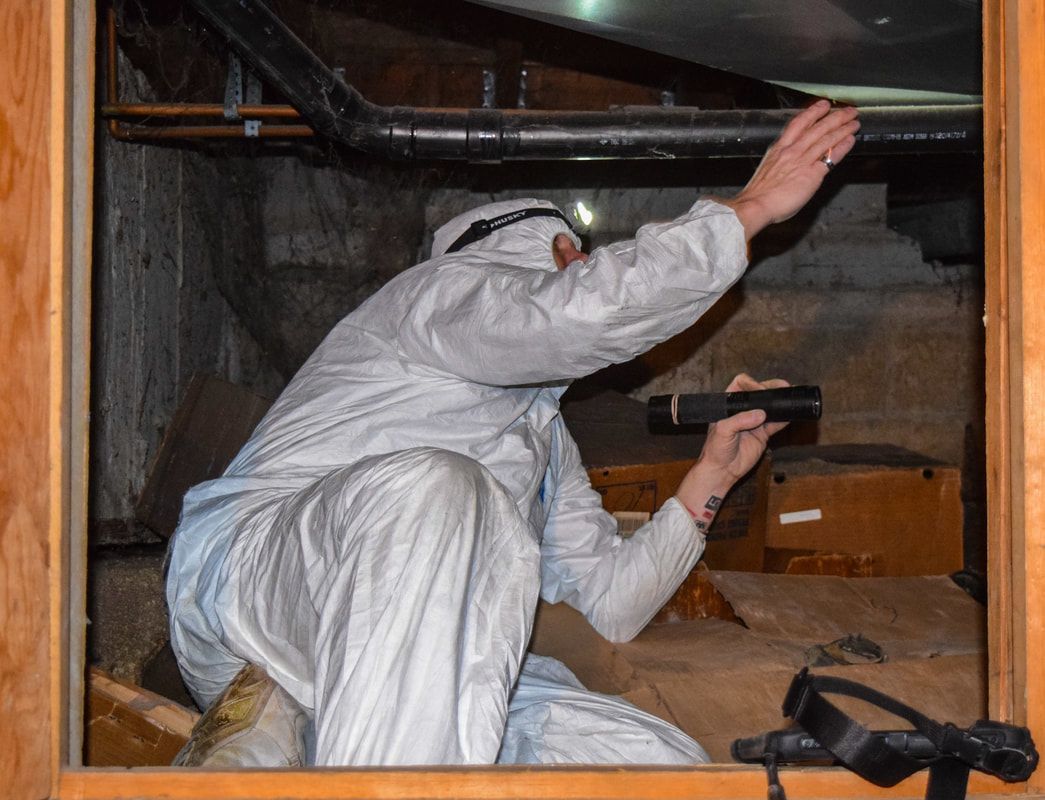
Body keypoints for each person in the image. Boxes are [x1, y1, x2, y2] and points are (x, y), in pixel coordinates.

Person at [166, 100, 860, 767]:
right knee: (438, 491)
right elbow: (576, 316)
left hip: (409, 660)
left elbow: (608, 607)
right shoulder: (431, 297)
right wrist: (749, 211)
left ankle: (323, 747)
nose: (583, 268)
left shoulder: (543, 438)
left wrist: (713, 475)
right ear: (559, 252)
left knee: (651, 761)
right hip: (259, 593)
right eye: (575, 259)